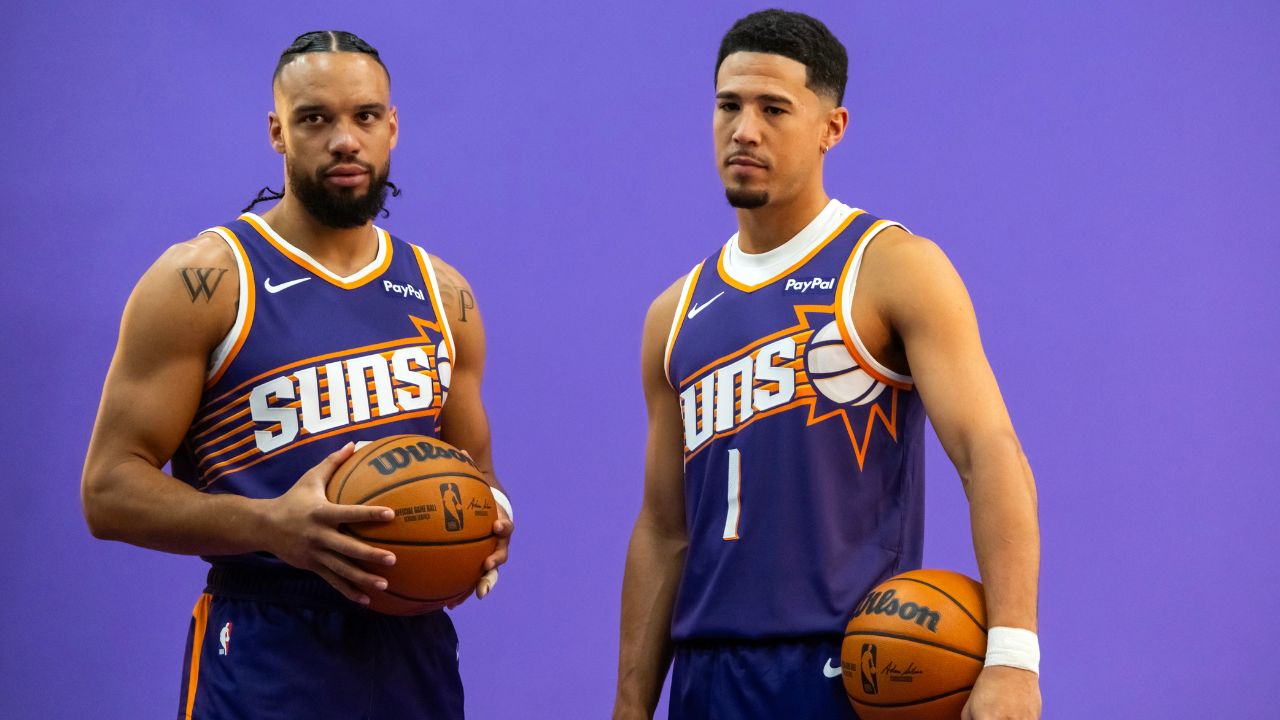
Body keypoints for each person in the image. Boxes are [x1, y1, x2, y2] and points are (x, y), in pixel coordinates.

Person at [614, 10, 1040, 720]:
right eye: (729, 105)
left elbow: (987, 452)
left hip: (847, 671)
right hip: (705, 678)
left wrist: (1013, 657)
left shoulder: (891, 267)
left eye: (773, 108)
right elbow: (663, 529)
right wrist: (630, 707)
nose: (744, 129)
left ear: (831, 128)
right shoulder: (674, 312)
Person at [81, 31, 513, 719]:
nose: (345, 140)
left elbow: (477, 477)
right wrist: (270, 525)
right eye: (316, 118)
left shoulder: (443, 293)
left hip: (412, 645)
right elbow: (107, 490)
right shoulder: (206, 280)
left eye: (365, 117)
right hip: (267, 638)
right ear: (278, 132)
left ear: (392, 127)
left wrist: (485, 527)